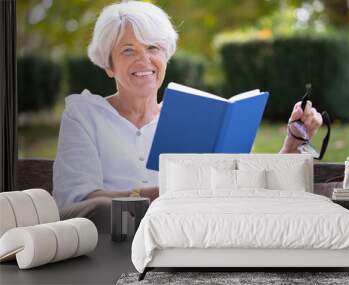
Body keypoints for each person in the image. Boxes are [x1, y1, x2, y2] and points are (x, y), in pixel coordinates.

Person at [52, 0, 323, 232]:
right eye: (128, 50)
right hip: (111, 239)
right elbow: (76, 203)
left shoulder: (194, 116)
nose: (144, 60)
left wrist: (291, 147)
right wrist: (161, 193)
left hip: (189, 236)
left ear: (165, 57)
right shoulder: (84, 114)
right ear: (108, 66)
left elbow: (245, 190)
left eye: (153, 48)